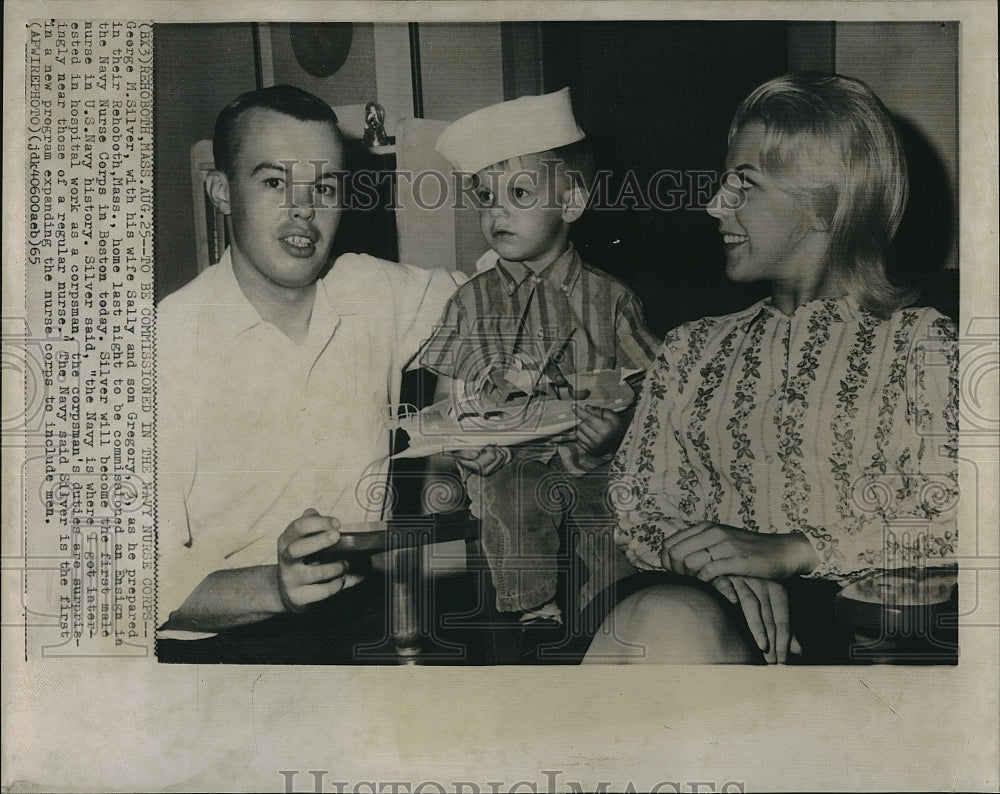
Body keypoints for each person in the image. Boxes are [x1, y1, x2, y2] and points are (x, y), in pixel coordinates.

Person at [586, 72, 959, 664]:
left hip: (858, 623)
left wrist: (793, 551)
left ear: (826, 203)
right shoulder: (689, 349)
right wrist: (722, 567)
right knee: (667, 618)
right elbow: (638, 503)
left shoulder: (927, 348)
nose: (714, 205)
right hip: (696, 598)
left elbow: (972, 512)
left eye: (745, 185)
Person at [156, 85, 460, 662]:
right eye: (274, 182)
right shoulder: (161, 347)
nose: (304, 209)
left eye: (324, 187)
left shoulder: (370, 290)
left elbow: (499, 303)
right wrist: (275, 585)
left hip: (370, 624)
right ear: (221, 192)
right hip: (220, 652)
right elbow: (132, 586)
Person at [422, 88, 660, 661]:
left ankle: (619, 615)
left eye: (519, 194)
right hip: (508, 464)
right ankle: (533, 611)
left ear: (572, 202)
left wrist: (619, 432)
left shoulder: (611, 301)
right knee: (509, 492)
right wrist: (462, 449)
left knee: (618, 512)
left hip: (593, 461)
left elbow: (657, 395)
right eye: (485, 197)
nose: (496, 212)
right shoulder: (469, 304)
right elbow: (443, 411)